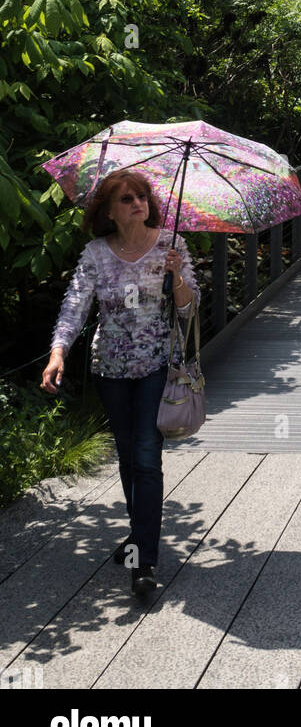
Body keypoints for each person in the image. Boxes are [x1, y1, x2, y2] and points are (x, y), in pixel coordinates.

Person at [41, 170, 199, 596]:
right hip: (108, 368)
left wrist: (177, 277)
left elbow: (188, 309)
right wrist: (58, 352)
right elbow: (75, 305)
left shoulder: (172, 245)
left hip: (155, 367)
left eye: (142, 196)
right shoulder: (96, 253)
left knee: (147, 456)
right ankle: (138, 535)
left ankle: (144, 562)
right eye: (127, 198)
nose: (137, 203)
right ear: (108, 211)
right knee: (128, 456)